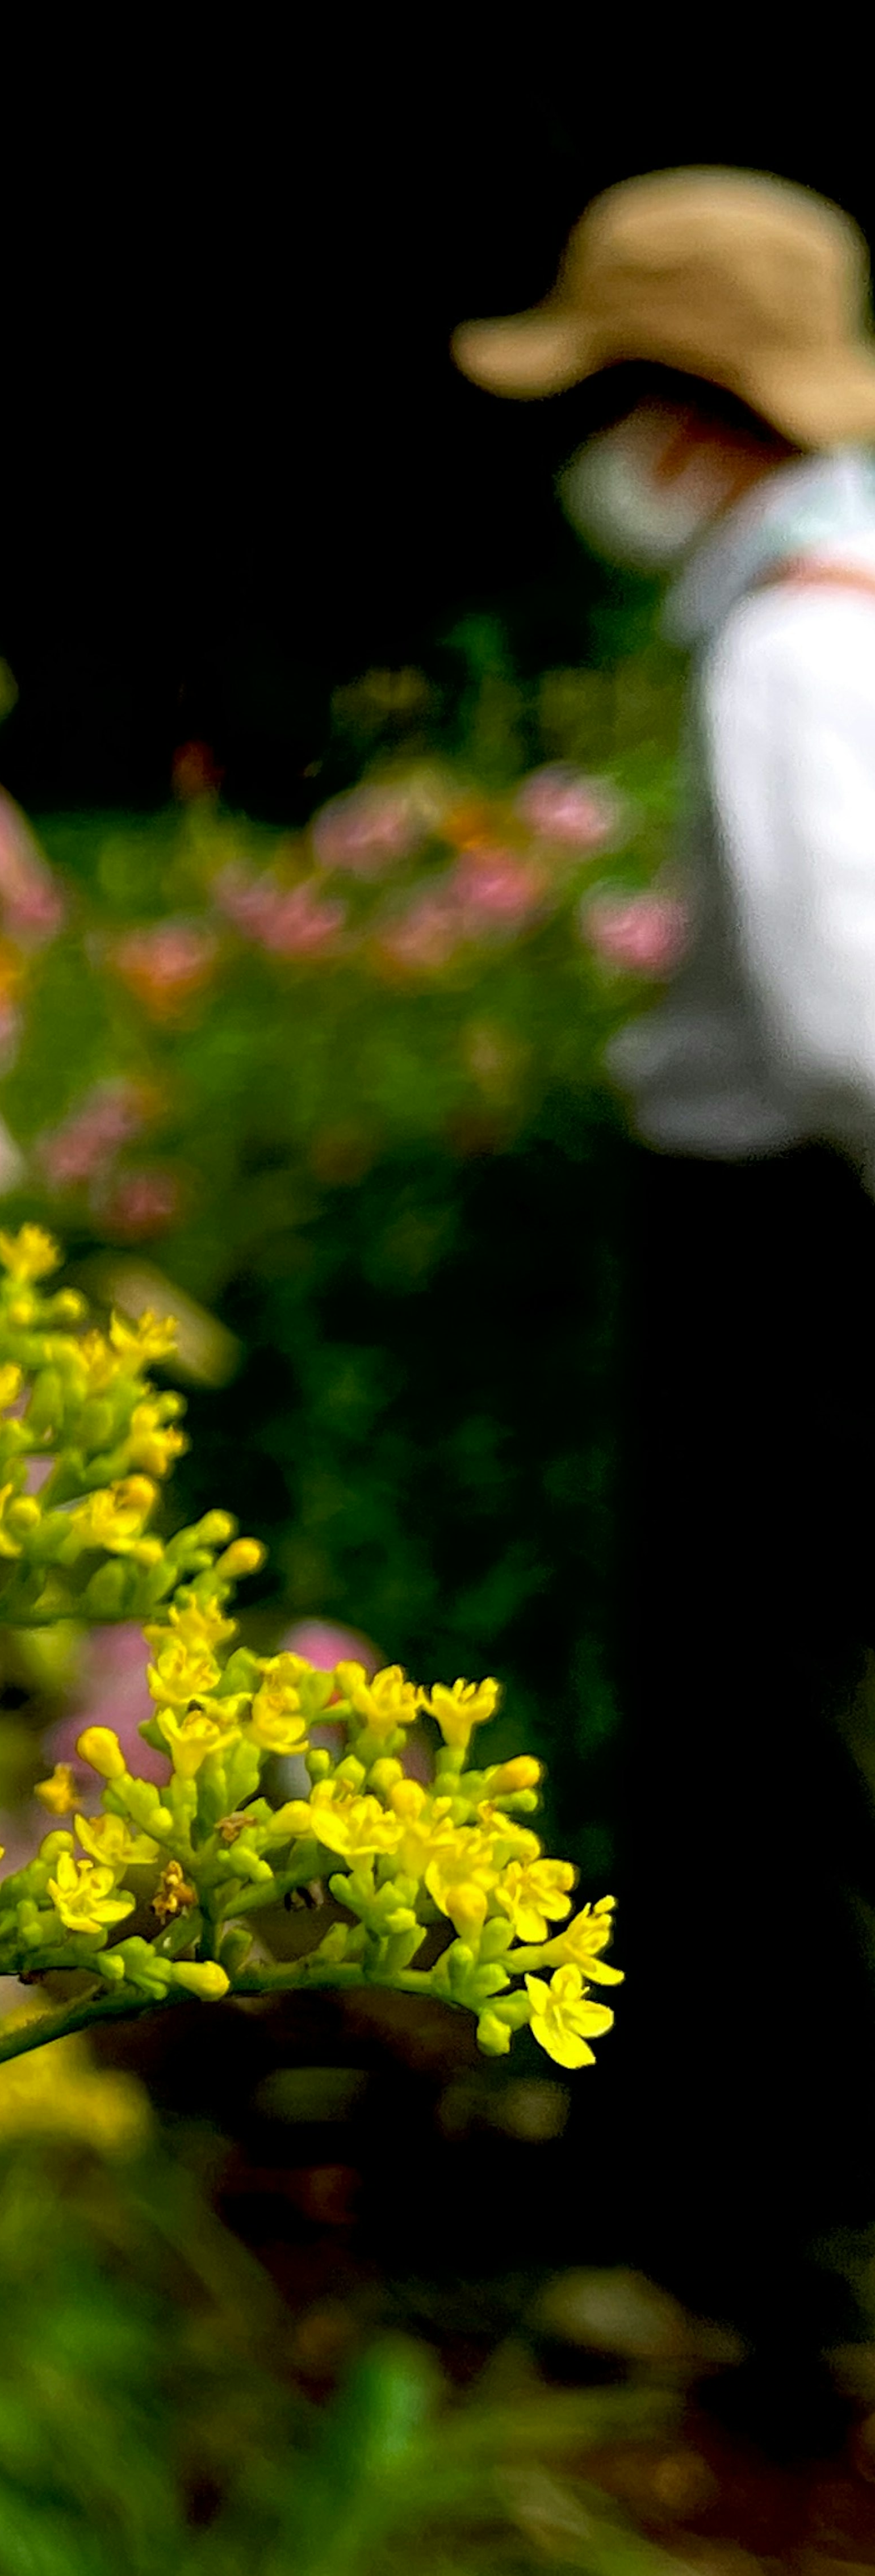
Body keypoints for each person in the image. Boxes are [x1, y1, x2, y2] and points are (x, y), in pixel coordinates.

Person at [456, 169, 875, 2437]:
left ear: (687, 412)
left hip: (789, 1233)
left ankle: (758, 2256)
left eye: (607, 396)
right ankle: (710, 2175)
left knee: (750, 1729)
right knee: (771, 1721)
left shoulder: (797, 640)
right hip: (806, 1223)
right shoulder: (850, 598)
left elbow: (838, 1023)